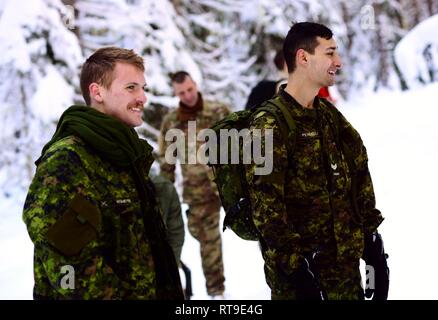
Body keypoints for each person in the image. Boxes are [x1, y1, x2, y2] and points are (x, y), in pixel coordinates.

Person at [22, 47, 184, 300]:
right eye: (131, 87)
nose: (143, 98)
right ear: (97, 92)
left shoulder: (123, 155)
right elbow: (68, 268)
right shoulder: (69, 160)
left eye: (144, 88)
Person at [244, 22, 386, 299]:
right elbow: (266, 211)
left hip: (345, 278)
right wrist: (298, 273)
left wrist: (373, 246)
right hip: (302, 286)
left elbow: (358, 179)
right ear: (303, 57)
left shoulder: (330, 117)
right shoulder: (267, 126)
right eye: (330, 53)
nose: (339, 62)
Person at [159, 71, 229, 299]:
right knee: (207, 240)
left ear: (196, 85)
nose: (187, 96)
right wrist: (164, 200)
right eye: (181, 92)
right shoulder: (171, 122)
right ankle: (216, 292)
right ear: (175, 93)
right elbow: (167, 165)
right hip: (199, 192)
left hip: (227, 186)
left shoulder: (218, 111)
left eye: (190, 89)